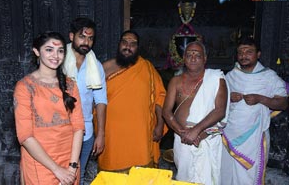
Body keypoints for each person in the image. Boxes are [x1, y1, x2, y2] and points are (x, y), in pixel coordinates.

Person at [14, 31, 84, 185]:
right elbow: (25, 136)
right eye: (49, 50)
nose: (56, 55)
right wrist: (57, 170)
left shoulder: (70, 85)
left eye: (60, 51)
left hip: (69, 160)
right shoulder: (25, 87)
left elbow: (79, 127)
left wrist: (72, 167)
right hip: (40, 164)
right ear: (37, 51)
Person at [221, 37, 288, 185]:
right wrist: (229, 98)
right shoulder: (231, 76)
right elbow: (218, 101)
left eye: (249, 52)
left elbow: (283, 103)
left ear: (258, 54)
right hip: (228, 134)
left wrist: (260, 99)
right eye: (240, 52)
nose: (243, 55)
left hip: (254, 138)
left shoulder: (269, 76)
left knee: (248, 177)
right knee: (226, 174)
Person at [99, 30, 166, 172]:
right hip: (113, 134)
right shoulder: (105, 68)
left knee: (141, 173)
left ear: (138, 48)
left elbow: (160, 96)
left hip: (140, 135)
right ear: (119, 45)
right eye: (124, 42)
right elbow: (92, 100)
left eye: (133, 44)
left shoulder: (147, 68)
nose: (127, 46)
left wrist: (160, 123)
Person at [162, 41, 229, 185]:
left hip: (207, 138)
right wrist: (183, 132)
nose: (193, 58)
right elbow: (166, 111)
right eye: (189, 54)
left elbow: (220, 111)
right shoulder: (175, 81)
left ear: (205, 58)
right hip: (183, 139)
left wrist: (197, 131)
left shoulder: (216, 79)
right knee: (184, 179)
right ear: (184, 58)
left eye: (197, 55)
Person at [62, 17, 107, 184]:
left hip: (86, 132)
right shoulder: (57, 61)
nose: (86, 42)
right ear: (72, 36)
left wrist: (100, 133)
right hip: (60, 131)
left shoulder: (96, 66)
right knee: (59, 174)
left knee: (78, 176)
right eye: (82, 36)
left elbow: (101, 100)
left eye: (90, 38)